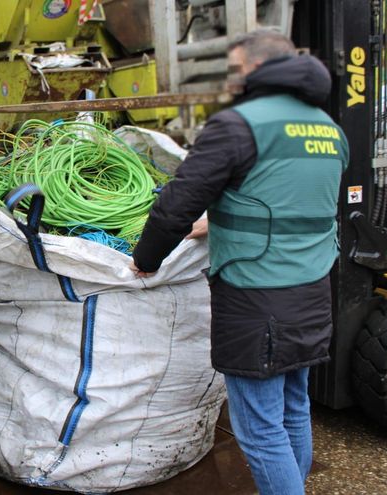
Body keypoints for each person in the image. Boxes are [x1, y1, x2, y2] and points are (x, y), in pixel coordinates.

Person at [130, 30, 348, 495]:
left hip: (256, 300)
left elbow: (175, 205)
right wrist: (224, 218)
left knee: (260, 429)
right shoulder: (329, 129)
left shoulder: (238, 124)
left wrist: (146, 259)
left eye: (234, 69)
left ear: (255, 69)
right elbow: (289, 196)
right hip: (312, 294)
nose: (230, 80)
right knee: (294, 410)